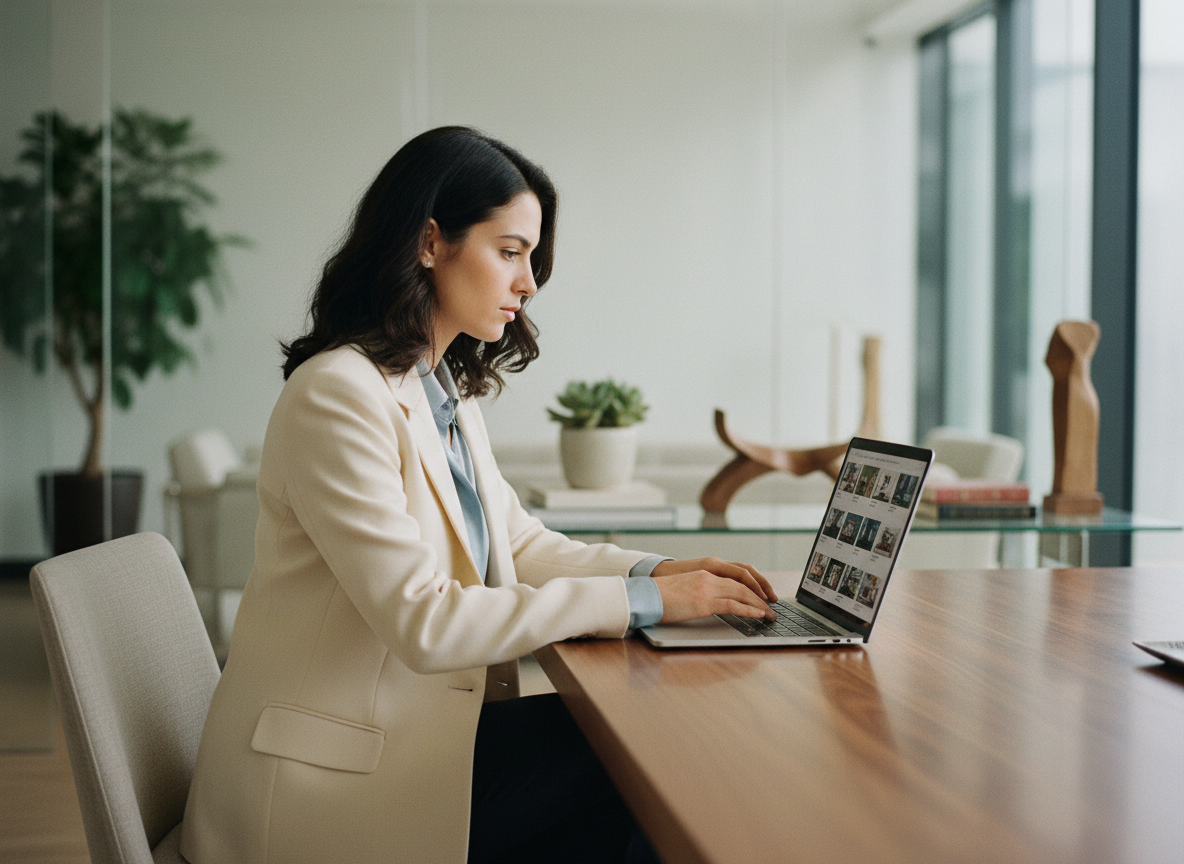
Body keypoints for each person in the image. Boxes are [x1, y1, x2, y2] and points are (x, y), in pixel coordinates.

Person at [179, 126, 777, 864]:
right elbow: (423, 620)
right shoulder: (336, 396)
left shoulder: (443, 392)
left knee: (644, 760)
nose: (530, 284)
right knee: (643, 761)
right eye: (510, 251)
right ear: (430, 242)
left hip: (418, 738)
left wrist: (659, 576)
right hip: (327, 783)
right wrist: (648, 607)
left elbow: (520, 545)